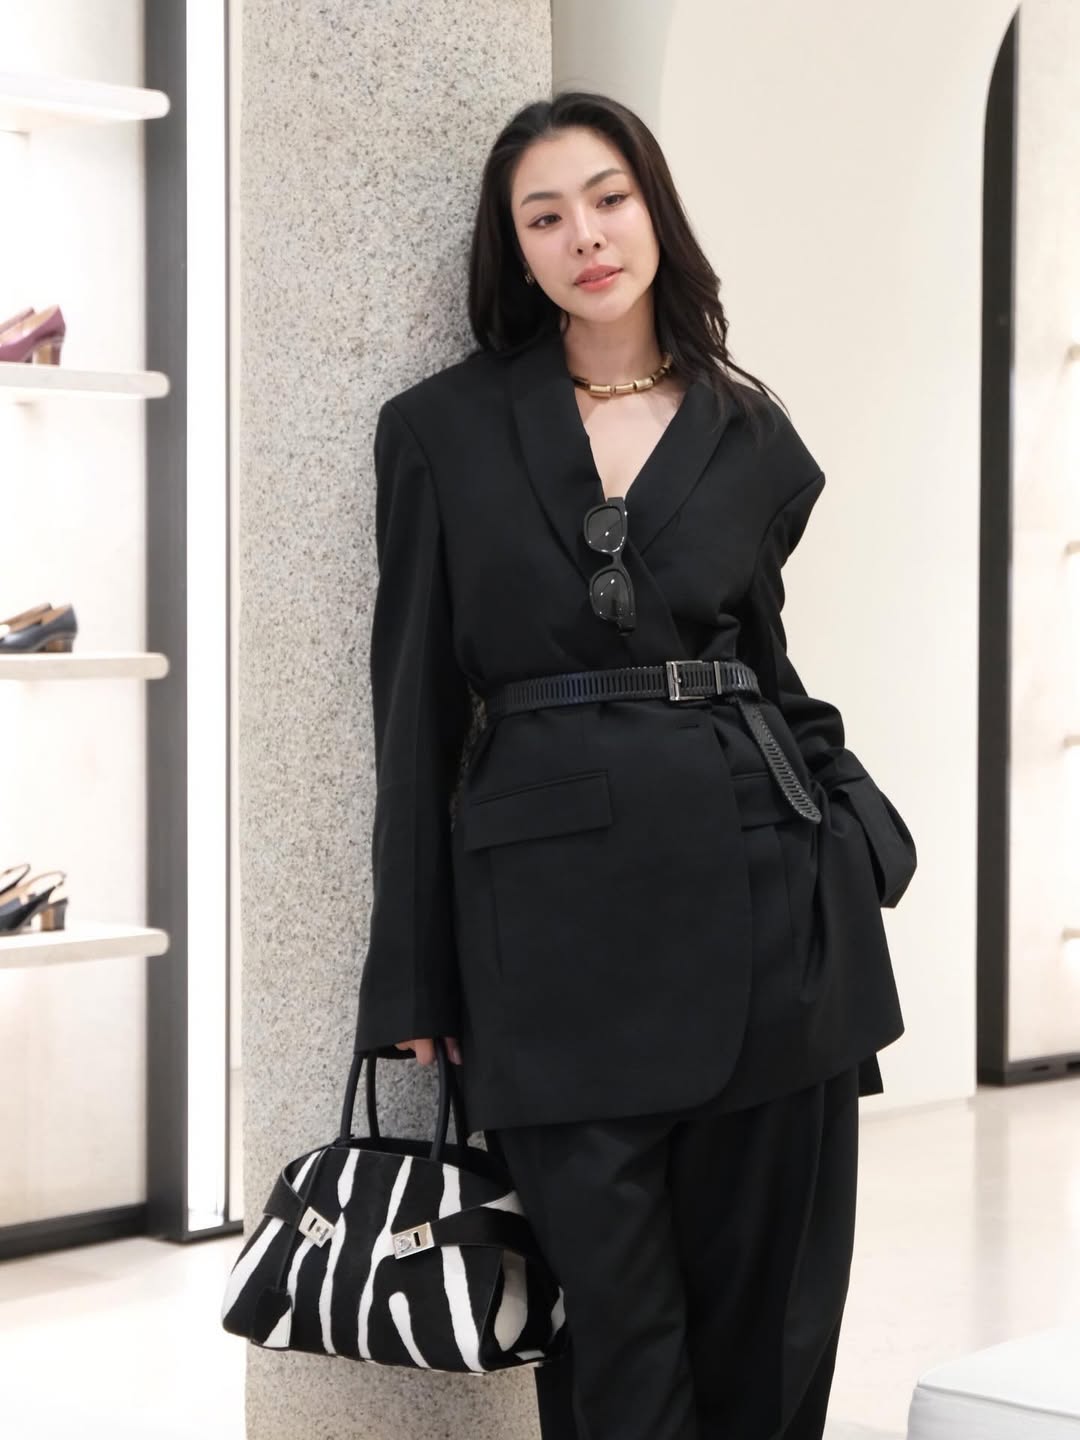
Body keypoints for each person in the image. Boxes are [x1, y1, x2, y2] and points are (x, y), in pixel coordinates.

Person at [352, 90, 918, 1440]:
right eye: (545, 217)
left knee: (769, 1333)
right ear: (514, 249)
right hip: (551, 940)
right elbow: (413, 706)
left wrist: (855, 832)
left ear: (654, 208)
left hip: (770, 908)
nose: (586, 237)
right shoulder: (441, 430)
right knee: (614, 1339)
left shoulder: (749, 433)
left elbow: (763, 663)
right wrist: (411, 971)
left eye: (608, 199)